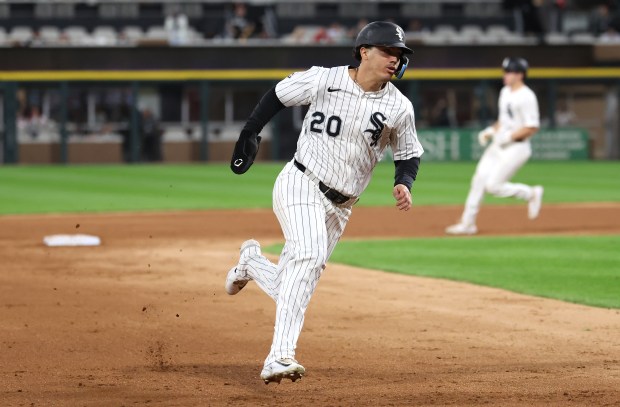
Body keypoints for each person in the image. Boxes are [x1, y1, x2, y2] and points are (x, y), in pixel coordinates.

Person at [225, 21, 424, 384]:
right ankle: (279, 356)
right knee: (309, 256)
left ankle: (252, 263)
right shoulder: (324, 79)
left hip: (342, 206)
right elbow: (279, 94)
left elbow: (408, 153)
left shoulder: (400, 107)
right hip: (301, 181)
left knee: (298, 279)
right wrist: (250, 131)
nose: (395, 60)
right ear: (364, 52)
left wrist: (403, 182)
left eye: (399, 55)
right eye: (388, 52)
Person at [445, 57, 543, 236]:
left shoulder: (527, 97)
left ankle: (530, 193)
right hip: (498, 145)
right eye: (505, 71)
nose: (505, 75)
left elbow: (532, 126)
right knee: (478, 180)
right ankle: (468, 224)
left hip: (517, 148)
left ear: (520, 75)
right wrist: (491, 130)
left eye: (509, 72)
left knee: (493, 186)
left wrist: (509, 136)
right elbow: (504, 120)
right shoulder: (505, 91)